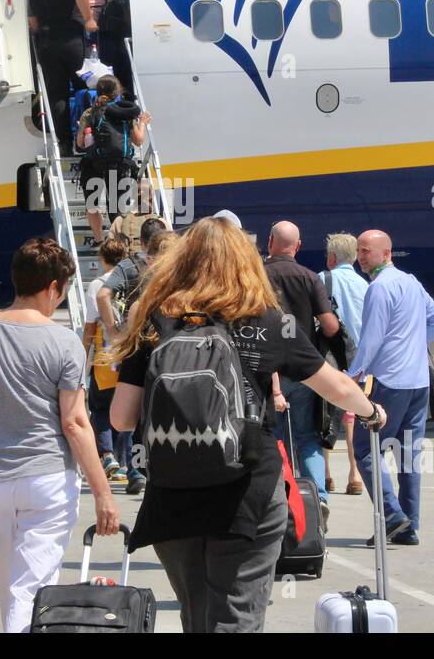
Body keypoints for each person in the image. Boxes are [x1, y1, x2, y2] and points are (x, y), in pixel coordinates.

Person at [108, 216, 385, 633]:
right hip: (247, 492)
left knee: (196, 619)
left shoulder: (154, 321)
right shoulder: (266, 321)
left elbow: (121, 418)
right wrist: (371, 413)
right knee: (237, 617)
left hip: (173, 493)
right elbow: (337, 387)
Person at [0, 237, 119, 633]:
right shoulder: (64, 342)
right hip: (46, 481)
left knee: (13, 589)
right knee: (32, 591)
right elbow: (74, 422)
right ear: (53, 288)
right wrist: (103, 493)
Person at [347, 230, 434, 547]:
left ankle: (393, 517)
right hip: (418, 380)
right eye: (359, 251)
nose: (361, 257)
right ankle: (409, 526)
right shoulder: (411, 282)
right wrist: (413, 346)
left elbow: (371, 340)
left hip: (390, 381)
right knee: (408, 455)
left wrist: (353, 376)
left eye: (366, 251)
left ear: (386, 253)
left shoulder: (378, 288)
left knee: (365, 449)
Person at [262, 221, 341, 517]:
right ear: (298, 246)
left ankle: (281, 500)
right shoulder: (310, 277)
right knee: (308, 437)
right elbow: (331, 326)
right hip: (306, 369)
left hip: (268, 370)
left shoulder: (258, 276)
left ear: (270, 242)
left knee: (274, 437)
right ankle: (318, 497)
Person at [81, 235, 142, 493]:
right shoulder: (134, 279)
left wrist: (83, 356)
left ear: (102, 258)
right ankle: (133, 466)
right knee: (130, 411)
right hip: (130, 354)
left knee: (101, 407)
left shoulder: (97, 286)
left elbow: (89, 327)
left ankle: (108, 456)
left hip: (106, 356)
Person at [28, 0, 97, 156]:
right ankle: (88, 137)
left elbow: (33, 24)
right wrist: (89, 19)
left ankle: (65, 143)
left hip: (47, 45)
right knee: (83, 86)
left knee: (57, 94)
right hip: (71, 41)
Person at [320, 233, 368, 497]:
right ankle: (355, 475)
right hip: (359, 361)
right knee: (352, 417)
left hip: (331, 358)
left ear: (332, 257)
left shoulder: (322, 279)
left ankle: (326, 474)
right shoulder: (366, 285)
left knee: (325, 416)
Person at [75, 74, 150, 245]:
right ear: (117, 93)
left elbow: (80, 144)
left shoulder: (90, 112)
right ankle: (118, 244)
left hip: (94, 163)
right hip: (120, 163)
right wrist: (143, 122)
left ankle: (100, 241)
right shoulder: (125, 112)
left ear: (96, 91)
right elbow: (138, 140)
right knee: (116, 208)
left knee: (92, 205)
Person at [96, 216, 166, 345]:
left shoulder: (127, 265)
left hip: (136, 338)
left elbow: (102, 295)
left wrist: (113, 334)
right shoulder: (175, 264)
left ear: (141, 241)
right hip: (166, 337)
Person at [77, 0, 132, 95]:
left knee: (87, 70)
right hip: (105, 33)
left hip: (85, 34)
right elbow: (119, 5)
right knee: (107, 67)